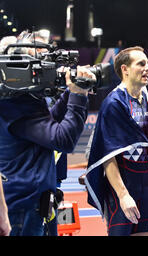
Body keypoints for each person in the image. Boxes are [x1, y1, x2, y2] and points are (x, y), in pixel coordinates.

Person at [0, 33, 95, 236]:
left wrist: (71, 92)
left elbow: (46, 123)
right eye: (41, 61)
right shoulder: (14, 106)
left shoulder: (21, 99)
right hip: (23, 210)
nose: (48, 69)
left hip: (33, 203)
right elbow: (63, 139)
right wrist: (78, 94)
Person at [85, 46, 148, 236]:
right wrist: (123, 195)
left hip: (146, 184)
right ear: (125, 69)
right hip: (123, 185)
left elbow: (147, 142)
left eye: (147, 63)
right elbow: (107, 155)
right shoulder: (114, 103)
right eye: (141, 64)